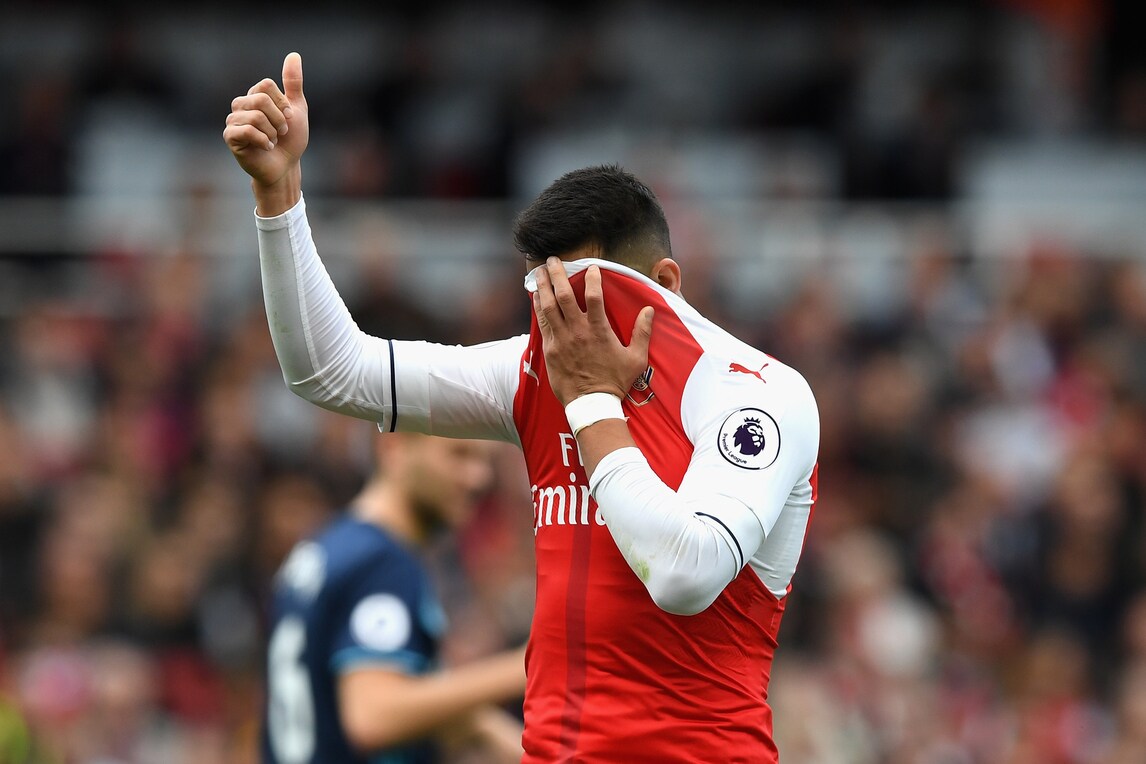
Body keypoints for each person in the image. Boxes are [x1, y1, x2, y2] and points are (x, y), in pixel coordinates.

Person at [226, 52, 820, 763]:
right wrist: (279, 193)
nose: (563, 328)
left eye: (588, 298)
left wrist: (592, 403)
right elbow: (332, 372)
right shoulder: (538, 371)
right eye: (547, 300)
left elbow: (685, 575)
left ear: (663, 284)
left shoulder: (758, 395)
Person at [262, 433, 527, 764]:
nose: (479, 478)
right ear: (394, 447)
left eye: (486, 461)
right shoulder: (382, 563)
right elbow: (372, 714)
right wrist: (526, 667)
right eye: (459, 454)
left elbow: (450, 716)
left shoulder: (325, 550)